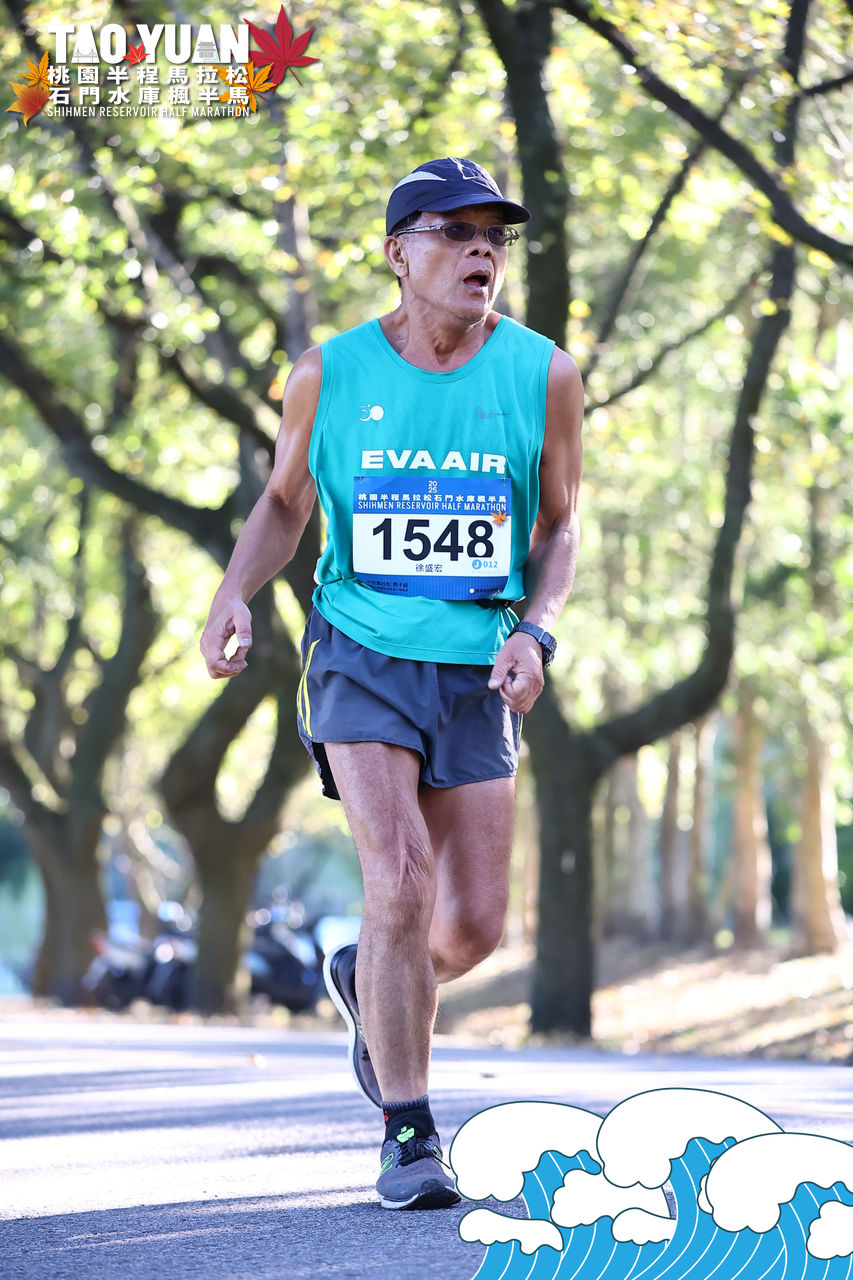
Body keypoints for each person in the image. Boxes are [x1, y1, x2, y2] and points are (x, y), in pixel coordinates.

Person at [200, 156, 584, 1211]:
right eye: (454, 232)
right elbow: (285, 503)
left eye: (493, 236)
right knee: (400, 881)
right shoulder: (329, 372)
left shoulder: (545, 374)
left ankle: (367, 976)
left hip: (480, 661)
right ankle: (409, 1135)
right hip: (360, 649)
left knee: (471, 929)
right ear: (397, 253)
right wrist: (234, 592)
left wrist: (538, 630)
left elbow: (559, 526)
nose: (480, 251)